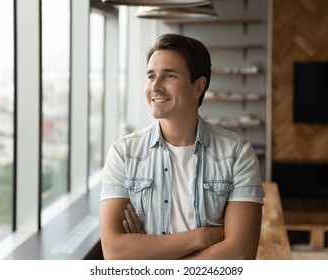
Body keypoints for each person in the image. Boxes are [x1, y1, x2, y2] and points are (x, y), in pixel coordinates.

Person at [99, 33, 265, 260]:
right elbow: (114, 252)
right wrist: (204, 237)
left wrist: (150, 256)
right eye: (150, 76)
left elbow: (241, 253)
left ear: (198, 87)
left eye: (168, 76)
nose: (155, 87)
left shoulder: (237, 154)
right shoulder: (124, 153)